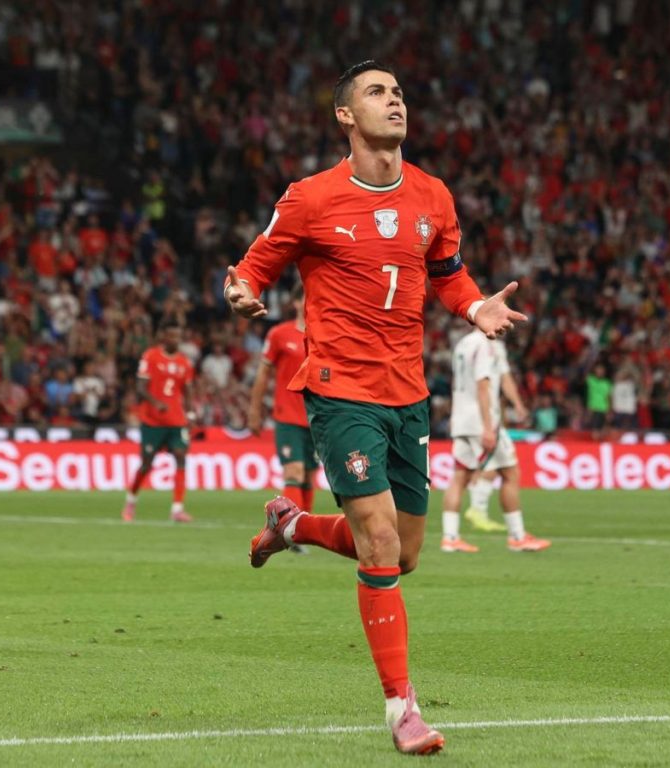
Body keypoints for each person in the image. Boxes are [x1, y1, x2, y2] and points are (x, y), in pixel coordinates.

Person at [224, 60, 527, 756]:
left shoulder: (433, 196)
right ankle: (402, 709)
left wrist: (477, 304)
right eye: (377, 92)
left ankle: (292, 523)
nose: (395, 101)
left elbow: (448, 276)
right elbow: (253, 267)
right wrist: (240, 291)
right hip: (337, 389)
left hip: (408, 393)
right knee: (381, 542)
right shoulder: (310, 198)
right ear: (345, 116)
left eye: (398, 92)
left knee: (405, 552)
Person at [440, 327, 550, 552]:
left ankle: (450, 538)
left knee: (460, 476)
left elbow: (460, 383)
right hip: (481, 420)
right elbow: (483, 386)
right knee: (511, 473)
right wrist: (488, 427)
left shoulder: (463, 344)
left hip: (462, 418)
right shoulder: (485, 346)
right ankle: (518, 536)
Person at [247, 283, 317, 513]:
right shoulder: (279, 334)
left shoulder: (325, 335)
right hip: (288, 417)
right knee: (294, 471)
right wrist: (255, 410)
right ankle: (292, 528)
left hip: (317, 417)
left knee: (308, 475)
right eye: (306, 298)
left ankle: (305, 532)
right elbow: (263, 373)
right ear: (296, 302)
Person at [121, 319, 195, 523]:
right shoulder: (150, 356)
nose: (175, 340)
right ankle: (131, 500)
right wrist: (156, 403)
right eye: (172, 336)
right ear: (163, 337)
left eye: (178, 336)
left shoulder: (184, 363)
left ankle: (177, 509)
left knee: (180, 456)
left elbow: (187, 392)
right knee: (146, 464)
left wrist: (191, 414)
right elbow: (140, 387)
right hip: (152, 421)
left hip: (176, 421)